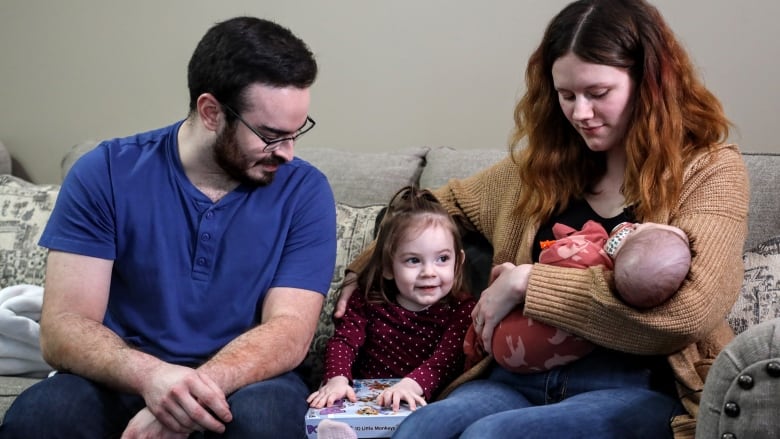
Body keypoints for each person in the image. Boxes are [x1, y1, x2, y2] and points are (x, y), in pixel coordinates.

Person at [335, 0, 749, 437]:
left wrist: (526, 283)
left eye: (598, 93)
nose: (580, 113)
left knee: (489, 436)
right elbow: (426, 209)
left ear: (648, 82)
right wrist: (364, 269)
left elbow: (687, 314)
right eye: (566, 95)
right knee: (422, 428)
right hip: (515, 376)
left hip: (633, 384)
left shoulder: (710, 170)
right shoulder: (536, 172)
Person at [0, 17, 337, 439]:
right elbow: (63, 326)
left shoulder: (305, 192)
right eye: (271, 136)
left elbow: (289, 332)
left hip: (247, 380)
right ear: (211, 112)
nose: (287, 153)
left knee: (268, 421)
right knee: (43, 417)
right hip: (126, 373)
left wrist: (183, 397)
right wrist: (152, 378)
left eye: (296, 133)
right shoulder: (105, 172)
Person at [308, 186, 475, 439]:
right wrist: (337, 378)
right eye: (413, 260)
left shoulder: (462, 309)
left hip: (425, 401)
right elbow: (344, 341)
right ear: (388, 267)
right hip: (366, 404)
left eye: (442, 259)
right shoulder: (367, 300)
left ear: (458, 262)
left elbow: (445, 361)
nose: (429, 272)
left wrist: (412, 384)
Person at [468, 220, 692, 373]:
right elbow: (445, 204)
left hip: (618, 382)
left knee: (487, 431)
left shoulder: (708, 176)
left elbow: (688, 319)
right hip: (509, 373)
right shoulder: (532, 171)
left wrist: (527, 279)